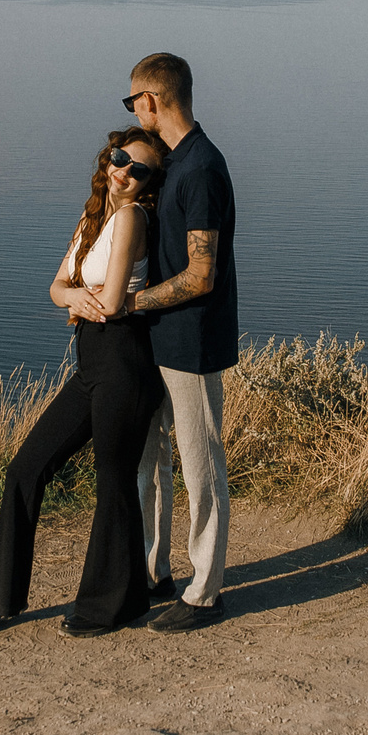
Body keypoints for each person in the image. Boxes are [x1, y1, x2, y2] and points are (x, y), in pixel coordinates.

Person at [0, 128, 171, 640]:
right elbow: (56, 286)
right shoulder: (94, 216)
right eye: (120, 158)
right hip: (93, 365)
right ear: (108, 158)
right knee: (26, 467)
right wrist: (74, 298)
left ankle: (114, 603)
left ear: (149, 181)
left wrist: (81, 297)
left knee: (113, 482)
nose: (124, 170)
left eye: (138, 168)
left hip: (125, 362)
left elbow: (113, 302)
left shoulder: (134, 218)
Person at [121, 52, 237, 632]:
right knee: (155, 461)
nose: (132, 108)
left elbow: (201, 274)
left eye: (132, 99)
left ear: (153, 100)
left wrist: (130, 303)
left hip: (192, 342)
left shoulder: (200, 170)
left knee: (201, 465)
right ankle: (154, 571)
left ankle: (206, 593)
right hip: (162, 338)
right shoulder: (178, 162)